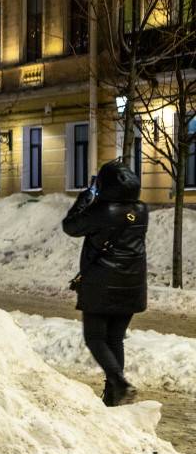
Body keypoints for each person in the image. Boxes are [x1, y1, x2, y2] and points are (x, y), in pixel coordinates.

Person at [62, 160, 149, 407]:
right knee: (115, 339)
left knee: (95, 338)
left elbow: (71, 227)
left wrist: (84, 199)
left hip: (101, 286)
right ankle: (113, 397)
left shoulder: (101, 211)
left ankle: (119, 383)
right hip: (132, 286)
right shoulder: (141, 210)